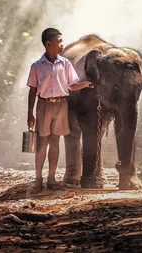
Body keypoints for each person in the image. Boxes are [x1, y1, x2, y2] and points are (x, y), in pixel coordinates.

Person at [27, 27, 93, 192]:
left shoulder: (65, 64)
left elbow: (72, 85)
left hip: (61, 105)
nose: (62, 45)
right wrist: (30, 113)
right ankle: (38, 179)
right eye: (59, 42)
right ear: (48, 44)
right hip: (43, 105)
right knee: (42, 143)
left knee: (55, 142)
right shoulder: (37, 66)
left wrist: (85, 84)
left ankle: (51, 178)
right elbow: (33, 90)